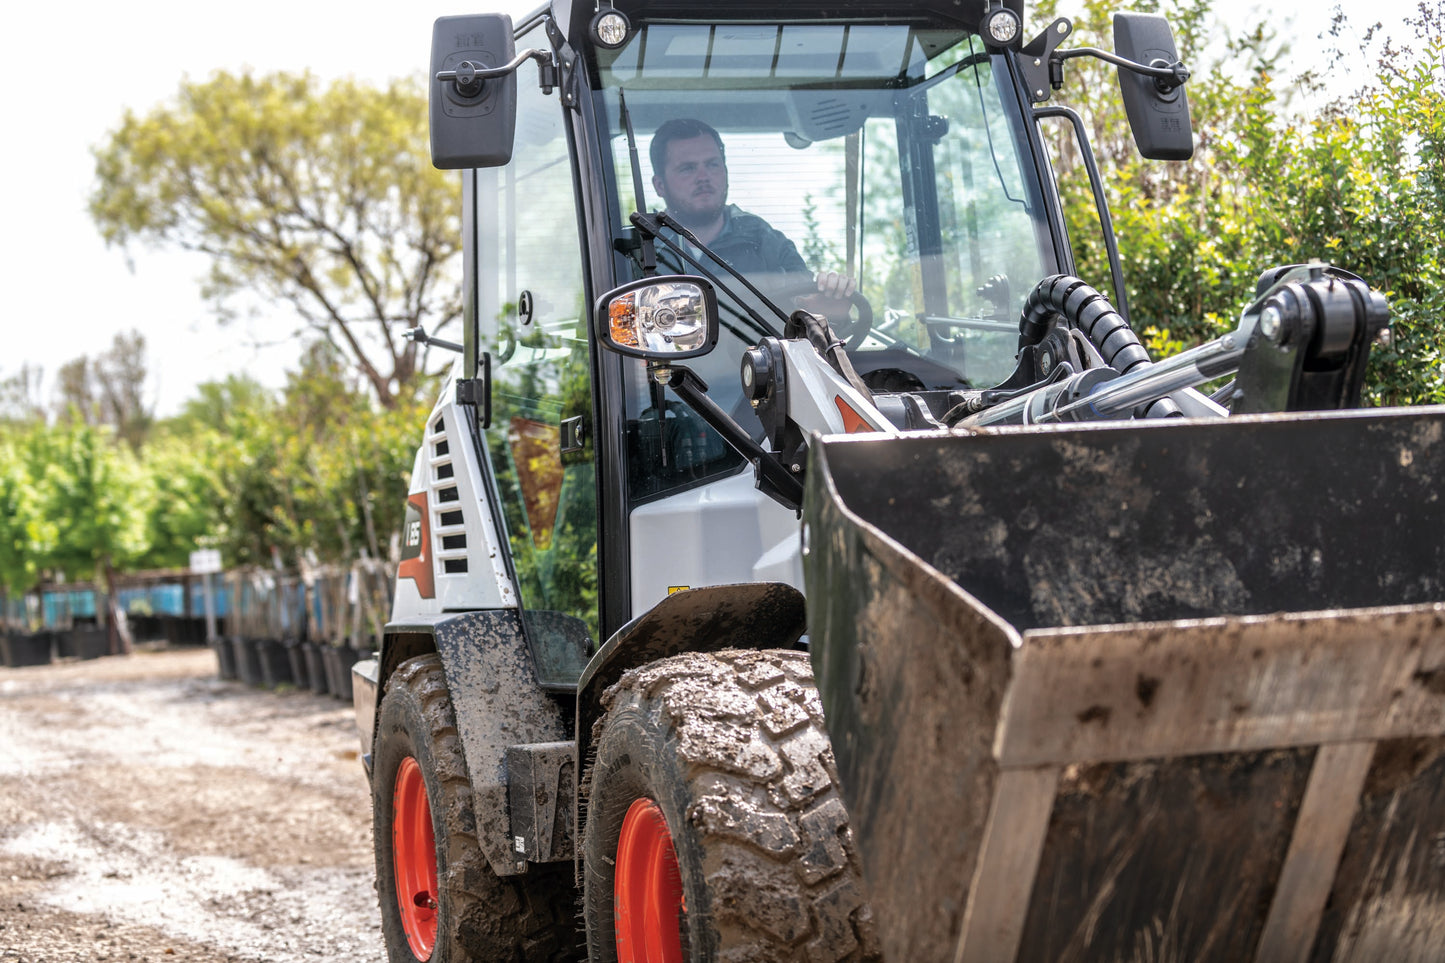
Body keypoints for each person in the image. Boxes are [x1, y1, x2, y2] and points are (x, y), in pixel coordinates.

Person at [649, 118, 855, 320]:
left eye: (712, 164)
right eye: (688, 168)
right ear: (660, 185)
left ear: (726, 172)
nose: (703, 177)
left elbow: (807, 312)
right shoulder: (641, 248)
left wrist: (829, 311)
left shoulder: (764, 241)